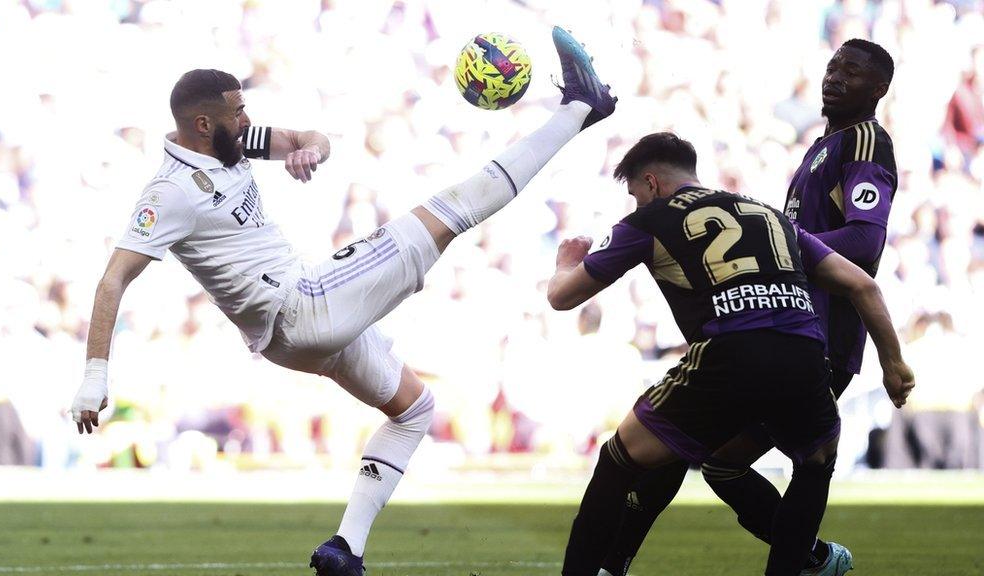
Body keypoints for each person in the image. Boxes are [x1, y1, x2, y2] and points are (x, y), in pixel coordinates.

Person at [68, 28, 616, 576]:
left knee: (414, 410)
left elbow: (307, 136)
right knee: (451, 212)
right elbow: (112, 280)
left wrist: (310, 149)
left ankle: (345, 549)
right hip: (301, 304)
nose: (247, 118)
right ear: (203, 124)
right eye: (238, 111)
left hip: (290, 339)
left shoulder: (228, 142)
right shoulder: (171, 192)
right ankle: (578, 109)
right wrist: (95, 376)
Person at [547, 132, 913, 576]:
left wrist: (565, 261)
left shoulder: (649, 220)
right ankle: (807, 565)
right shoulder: (770, 216)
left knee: (621, 458)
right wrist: (893, 363)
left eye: (635, 195)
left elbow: (563, 297)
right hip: (804, 355)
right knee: (814, 463)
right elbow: (862, 284)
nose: (636, 204)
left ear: (652, 182)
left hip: (729, 354)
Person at [602, 38, 899, 576]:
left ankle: (611, 562)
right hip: (784, 330)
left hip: (816, 338)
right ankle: (809, 560)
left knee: (683, 441)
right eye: (834, 66)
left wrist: (780, 243)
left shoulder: (866, 143)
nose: (836, 77)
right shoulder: (824, 146)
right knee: (722, 462)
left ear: (879, 89)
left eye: (853, 72)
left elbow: (866, 241)